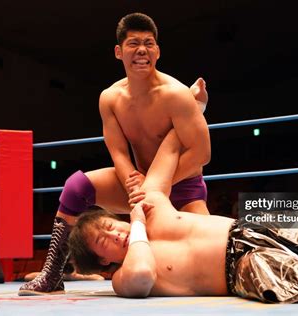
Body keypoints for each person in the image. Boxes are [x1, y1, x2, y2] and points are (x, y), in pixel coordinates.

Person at [68, 129, 298, 305]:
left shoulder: (152, 202)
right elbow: (144, 275)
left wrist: (191, 107)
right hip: (240, 267)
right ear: (103, 261)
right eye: (105, 240)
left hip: (256, 225)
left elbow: (171, 148)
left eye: (112, 225)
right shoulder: (125, 277)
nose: (116, 234)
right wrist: (140, 229)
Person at [19, 12, 211, 295]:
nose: (142, 50)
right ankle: (52, 275)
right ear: (119, 52)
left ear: (157, 50)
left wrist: (159, 187)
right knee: (76, 186)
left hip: (184, 187)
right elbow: (119, 151)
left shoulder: (176, 94)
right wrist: (132, 180)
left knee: (207, 252)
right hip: (140, 185)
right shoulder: (110, 98)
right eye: (134, 43)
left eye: (148, 43)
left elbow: (201, 153)